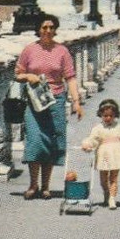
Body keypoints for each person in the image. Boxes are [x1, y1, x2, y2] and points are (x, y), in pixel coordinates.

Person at [14, 14, 83, 199]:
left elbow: (71, 77)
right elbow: (18, 73)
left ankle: (45, 186)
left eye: (51, 27)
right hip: (34, 101)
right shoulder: (29, 50)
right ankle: (32, 185)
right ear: (38, 29)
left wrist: (76, 102)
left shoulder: (62, 51)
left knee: (51, 141)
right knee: (35, 140)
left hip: (56, 99)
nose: (48, 31)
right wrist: (28, 76)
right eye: (44, 27)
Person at [79, 98, 120, 210]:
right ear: (101, 114)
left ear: (115, 115)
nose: (108, 118)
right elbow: (93, 139)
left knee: (114, 178)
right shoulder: (98, 128)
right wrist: (87, 145)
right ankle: (106, 192)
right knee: (103, 179)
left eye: (111, 116)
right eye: (105, 116)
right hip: (103, 156)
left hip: (116, 154)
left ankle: (112, 198)